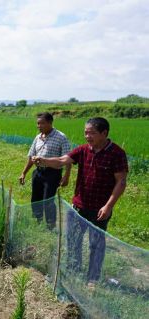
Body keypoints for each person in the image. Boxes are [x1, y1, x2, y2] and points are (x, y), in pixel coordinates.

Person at [32, 117, 128, 286]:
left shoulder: (117, 153)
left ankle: (93, 278)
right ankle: (73, 270)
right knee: (73, 239)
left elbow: (121, 182)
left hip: (100, 209)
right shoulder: (83, 150)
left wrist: (108, 206)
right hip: (79, 205)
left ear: (104, 133)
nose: (87, 136)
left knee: (96, 244)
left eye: (91, 133)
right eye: (85, 132)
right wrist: (44, 160)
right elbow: (63, 160)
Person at [19, 112, 72, 229]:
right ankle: (37, 220)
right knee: (35, 198)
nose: (39, 126)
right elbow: (31, 156)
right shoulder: (38, 137)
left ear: (50, 123)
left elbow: (68, 159)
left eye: (41, 123)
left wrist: (66, 176)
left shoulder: (61, 137)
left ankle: (50, 225)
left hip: (52, 173)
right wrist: (24, 173)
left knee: (48, 200)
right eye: (37, 123)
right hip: (38, 172)